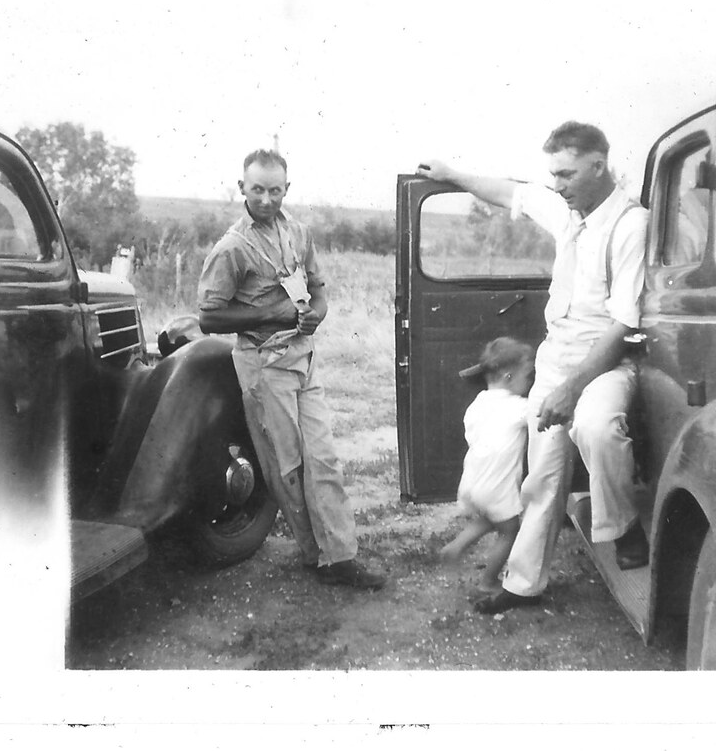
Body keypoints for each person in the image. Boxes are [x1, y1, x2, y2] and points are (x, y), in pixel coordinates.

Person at [419, 120, 650, 614]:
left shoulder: (631, 224)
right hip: (556, 357)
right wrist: (452, 173)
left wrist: (570, 391)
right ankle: (523, 584)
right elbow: (509, 193)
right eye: (553, 175)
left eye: (566, 174)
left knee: (595, 427)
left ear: (597, 165)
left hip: (605, 362)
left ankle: (624, 526)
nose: (558, 185)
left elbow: (622, 326)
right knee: (541, 477)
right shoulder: (565, 207)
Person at [197, 148, 386, 590]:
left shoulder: (299, 233)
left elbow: (317, 292)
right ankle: (314, 553)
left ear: (287, 189)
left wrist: (315, 313)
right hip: (264, 368)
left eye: (275, 190)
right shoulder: (231, 248)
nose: (266, 199)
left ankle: (340, 556)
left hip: (304, 360)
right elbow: (210, 318)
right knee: (287, 467)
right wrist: (273, 315)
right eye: (257, 189)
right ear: (241, 188)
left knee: (325, 460)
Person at [441, 337, 535, 596]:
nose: (530, 383)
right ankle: (488, 581)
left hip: (472, 481)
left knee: (488, 518)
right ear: (508, 376)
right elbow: (541, 415)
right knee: (509, 530)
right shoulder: (518, 407)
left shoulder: (478, 403)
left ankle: (457, 546)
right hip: (497, 486)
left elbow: (471, 434)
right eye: (527, 376)